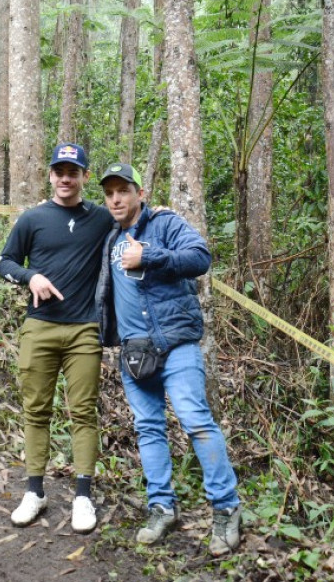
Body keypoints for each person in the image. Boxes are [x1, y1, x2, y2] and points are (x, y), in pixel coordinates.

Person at [96, 163, 242, 555]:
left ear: (140, 193)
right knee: (148, 428)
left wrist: (150, 256)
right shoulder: (108, 236)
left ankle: (226, 508)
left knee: (195, 420)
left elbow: (200, 258)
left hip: (175, 343)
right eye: (109, 193)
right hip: (133, 352)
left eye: (123, 190)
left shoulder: (165, 223)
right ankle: (162, 506)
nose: (116, 199)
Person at [0, 143, 112, 533]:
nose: (65, 178)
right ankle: (34, 491)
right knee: (36, 410)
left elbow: (133, 219)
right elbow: (4, 262)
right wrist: (31, 276)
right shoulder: (32, 219)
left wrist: (158, 213)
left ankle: (83, 496)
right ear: (50, 175)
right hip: (40, 326)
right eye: (59, 171)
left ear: (84, 177)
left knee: (83, 411)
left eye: (73, 172)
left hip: (84, 329)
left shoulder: (100, 219)